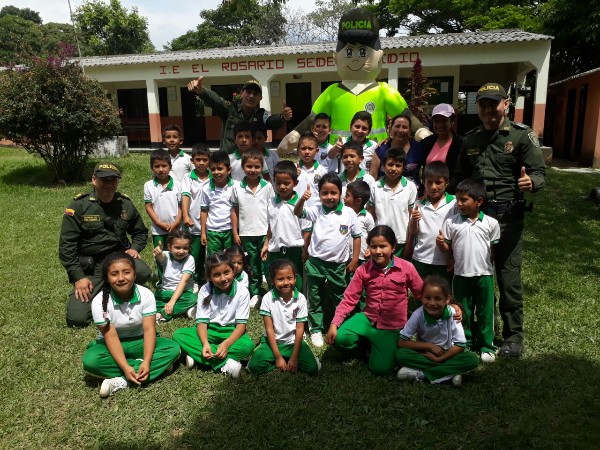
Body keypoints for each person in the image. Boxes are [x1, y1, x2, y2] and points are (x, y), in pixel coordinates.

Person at [449, 82, 546, 358]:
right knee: (476, 274)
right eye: (483, 105)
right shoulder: (470, 140)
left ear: (506, 104)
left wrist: (531, 182)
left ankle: (513, 336)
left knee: (507, 277)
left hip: (508, 219)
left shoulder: (521, 136)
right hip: (476, 220)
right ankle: (479, 332)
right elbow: (460, 178)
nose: (488, 110)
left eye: (494, 104)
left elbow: (539, 172)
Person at [277, 8, 427, 154]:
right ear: (335, 57)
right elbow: (313, 118)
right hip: (340, 155)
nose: (355, 59)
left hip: (373, 154)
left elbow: (405, 115)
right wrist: (295, 134)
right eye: (348, 52)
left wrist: (421, 131)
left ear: (380, 56)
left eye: (363, 52)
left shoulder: (383, 90)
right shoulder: (332, 91)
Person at [60, 162, 151, 327]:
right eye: (104, 180)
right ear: (94, 180)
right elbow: (67, 248)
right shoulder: (79, 206)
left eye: (113, 180)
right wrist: (79, 277)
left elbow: (140, 232)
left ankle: (115, 290)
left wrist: (134, 248)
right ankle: (104, 289)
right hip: (92, 267)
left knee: (143, 271)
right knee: (77, 319)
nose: (109, 185)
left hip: (118, 260)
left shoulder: (125, 204)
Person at [325, 226, 424, 376]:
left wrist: (449, 307)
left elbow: (422, 294)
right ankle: (365, 347)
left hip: (392, 326)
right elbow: (349, 299)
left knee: (381, 369)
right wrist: (334, 324)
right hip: (368, 319)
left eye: (383, 246)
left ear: (393, 247)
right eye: (373, 246)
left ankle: (381, 349)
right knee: (340, 338)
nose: (378, 251)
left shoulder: (406, 268)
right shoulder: (363, 270)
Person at [81, 252, 181, 398]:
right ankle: (150, 368)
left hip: (141, 341)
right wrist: (125, 367)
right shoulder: (99, 302)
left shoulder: (146, 294)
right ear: (107, 278)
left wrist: (147, 361)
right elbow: (111, 337)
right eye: (114, 274)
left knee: (173, 349)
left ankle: (123, 380)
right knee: (91, 361)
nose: (121, 278)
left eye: (126, 272)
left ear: (134, 274)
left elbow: (149, 330)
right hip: (112, 345)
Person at [294, 172, 361, 348]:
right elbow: (297, 212)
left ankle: (340, 324)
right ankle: (316, 328)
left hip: (337, 265)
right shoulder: (316, 209)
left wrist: (354, 259)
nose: (329, 197)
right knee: (314, 296)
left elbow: (357, 237)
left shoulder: (349, 213)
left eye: (333, 193)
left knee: (339, 296)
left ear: (340, 193)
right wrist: (302, 199)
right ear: (319, 194)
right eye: (324, 193)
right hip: (316, 262)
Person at [439, 178, 501, 362]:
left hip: (484, 275)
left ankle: (486, 345)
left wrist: (488, 267)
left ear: (479, 201)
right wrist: (442, 244)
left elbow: (492, 250)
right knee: (462, 311)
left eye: (464, 200)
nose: (459, 204)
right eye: (457, 199)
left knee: (485, 312)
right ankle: (464, 343)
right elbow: (448, 248)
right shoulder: (451, 223)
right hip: (460, 275)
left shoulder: (491, 223)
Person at [172, 251, 255, 378]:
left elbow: (241, 326)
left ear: (233, 271)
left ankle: (198, 358)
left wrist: (226, 345)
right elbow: (202, 322)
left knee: (247, 346)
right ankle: (225, 363)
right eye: (216, 275)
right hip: (209, 330)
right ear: (209, 277)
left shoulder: (242, 291)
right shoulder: (205, 289)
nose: (223, 278)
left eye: (226, 273)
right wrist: (205, 343)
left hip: (231, 331)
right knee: (179, 335)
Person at [396, 275, 479, 385]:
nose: (432, 303)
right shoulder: (418, 315)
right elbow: (402, 342)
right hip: (425, 353)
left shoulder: (453, 313)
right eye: (427, 298)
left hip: (448, 353)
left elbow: (460, 345)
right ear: (421, 297)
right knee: (401, 354)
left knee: (472, 359)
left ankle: (423, 374)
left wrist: (440, 359)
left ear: (447, 299)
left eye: (437, 298)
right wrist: (430, 346)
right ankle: (451, 373)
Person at [247, 259, 321, 375]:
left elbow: (300, 328)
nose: (286, 283)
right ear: (272, 280)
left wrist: (294, 357)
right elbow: (269, 329)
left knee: (313, 369)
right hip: (273, 343)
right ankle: (281, 361)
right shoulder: (267, 298)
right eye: (280, 279)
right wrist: (277, 357)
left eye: (289, 278)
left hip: (294, 343)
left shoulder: (300, 299)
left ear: (295, 278)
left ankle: (293, 360)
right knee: (253, 367)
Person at [187, 77, 292, 154]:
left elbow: (271, 121)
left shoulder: (261, 114)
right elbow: (217, 101)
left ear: (260, 98)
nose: (251, 96)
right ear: (242, 93)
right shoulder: (230, 109)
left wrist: (282, 117)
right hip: (228, 163)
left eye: (255, 94)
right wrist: (202, 91)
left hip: (249, 164)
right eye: (248, 92)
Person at [231, 149, 274, 306]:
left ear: (262, 167)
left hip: (264, 233)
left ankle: (272, 292)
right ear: (243, 167)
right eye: (249, 166)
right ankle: (255, 293)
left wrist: (270, 234)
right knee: (252, 265)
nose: (253, 170)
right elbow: (234, 211)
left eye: (257, 167)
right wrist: (235, 232)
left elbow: (272, 211)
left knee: (267, 264)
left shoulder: (267, 186)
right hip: (246, 233)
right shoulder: (237, 187)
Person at [261, 160, 312, 292]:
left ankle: (297, 302)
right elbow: (270, 226)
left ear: (295, 183)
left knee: (296, 280)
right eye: (278, 183)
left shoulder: (300, 203)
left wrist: (306, 250)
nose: (282, 187)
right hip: (276, 250)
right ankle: (276, 302)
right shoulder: (271, 202)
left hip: (294, 250)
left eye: (286, 183)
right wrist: (266, 244)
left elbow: (307, 229)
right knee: (276, 279)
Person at [404, 161, 457, 282]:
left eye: (438, 182)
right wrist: (414, 220)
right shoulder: (419, 204)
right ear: (424, 182)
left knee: (443, 290)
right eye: (429, 182)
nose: (433, 187)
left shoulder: (454, 203)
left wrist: (454, 257)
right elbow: (413, 231)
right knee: (421, 290)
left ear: (447, 183)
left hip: (444, 260)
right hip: (421, 258)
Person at [368, 147, 417, 257]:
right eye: (390, 164)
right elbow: (371, 215)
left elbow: (411, 217)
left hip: (401, 240)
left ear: (403, 168)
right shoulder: (375, 187)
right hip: (380, 240)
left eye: (398, 165)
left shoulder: (410, 187)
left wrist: (410, 242)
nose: (394, 169)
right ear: (383, 166)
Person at [181, 143, 211, 287]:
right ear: (192, 161)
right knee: (195, 255)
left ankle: (207, 280)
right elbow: (185, 196)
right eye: (198, 160)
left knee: (209, 255)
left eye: (205, 160)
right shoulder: (188, 177)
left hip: (211, 225)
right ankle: (193, 281)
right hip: (194, 225)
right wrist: (185, 215)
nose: (201, 163)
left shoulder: (214, 177)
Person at [370, 114, 423, 192]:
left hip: (414, 194)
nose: (400, 130)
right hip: (384, 194)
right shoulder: (381, 149)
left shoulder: (418, 148)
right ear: (391, 129)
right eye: (397, 126)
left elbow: (428, 171)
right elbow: (372, 177)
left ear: (409, 131)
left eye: (404, 127)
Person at [153, 230, 197, 323]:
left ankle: (162, 314)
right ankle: (184, 310)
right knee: (150, 299)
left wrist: (172, 301)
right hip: (166, 292)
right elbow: (161, 258)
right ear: (169, 247)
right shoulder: (167, 255)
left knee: (192, 299)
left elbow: (184, 281)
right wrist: (158, 253)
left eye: (185, 248)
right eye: (177, 247)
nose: (181, 251)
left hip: (183, 293)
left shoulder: (189, 259)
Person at [144, 149, 182, 251]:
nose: (161, 169)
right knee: (160, 255)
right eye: (157, 166)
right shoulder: (148, 185)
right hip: (158, 231)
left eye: (164, 166)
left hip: (176, 229)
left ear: (170, 167)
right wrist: (158, 223)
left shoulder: (178, 185)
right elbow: (148, 206)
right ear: (151, 167)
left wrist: (176, 223)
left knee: (176, 255)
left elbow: (181, 207)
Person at [200, 150, 236, 255]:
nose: (216, 172)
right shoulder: (206, 187)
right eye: (213, 169)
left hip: (230, 230)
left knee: (231, 258)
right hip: (213, 231)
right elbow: (204, 211)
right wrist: (203, 233)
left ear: (229, 170)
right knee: (214, 260)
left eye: (220, 169)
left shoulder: (235, 186)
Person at [419, 104, 463, 180]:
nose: (440, 125)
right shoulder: (426, 143)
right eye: (436, 121)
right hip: (428, 186)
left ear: (452, 121)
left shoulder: (460, 143)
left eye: (444, 121)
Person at [344, 180, 375, 266]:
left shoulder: (367, 217)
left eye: (347, 195)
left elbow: (372, 236)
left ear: (358, 201)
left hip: (362, 258)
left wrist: (370, 249)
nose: (344, 198)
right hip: (345, 257)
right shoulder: (343, 214)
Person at [296, 131, 329, 207]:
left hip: (315, 210)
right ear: (298, 151)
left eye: (310, 149)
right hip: (295, 210)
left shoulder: (322, 171)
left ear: (317, 151)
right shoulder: (293, 169)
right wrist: (294, 175)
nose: (307, 152)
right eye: (303, 148)